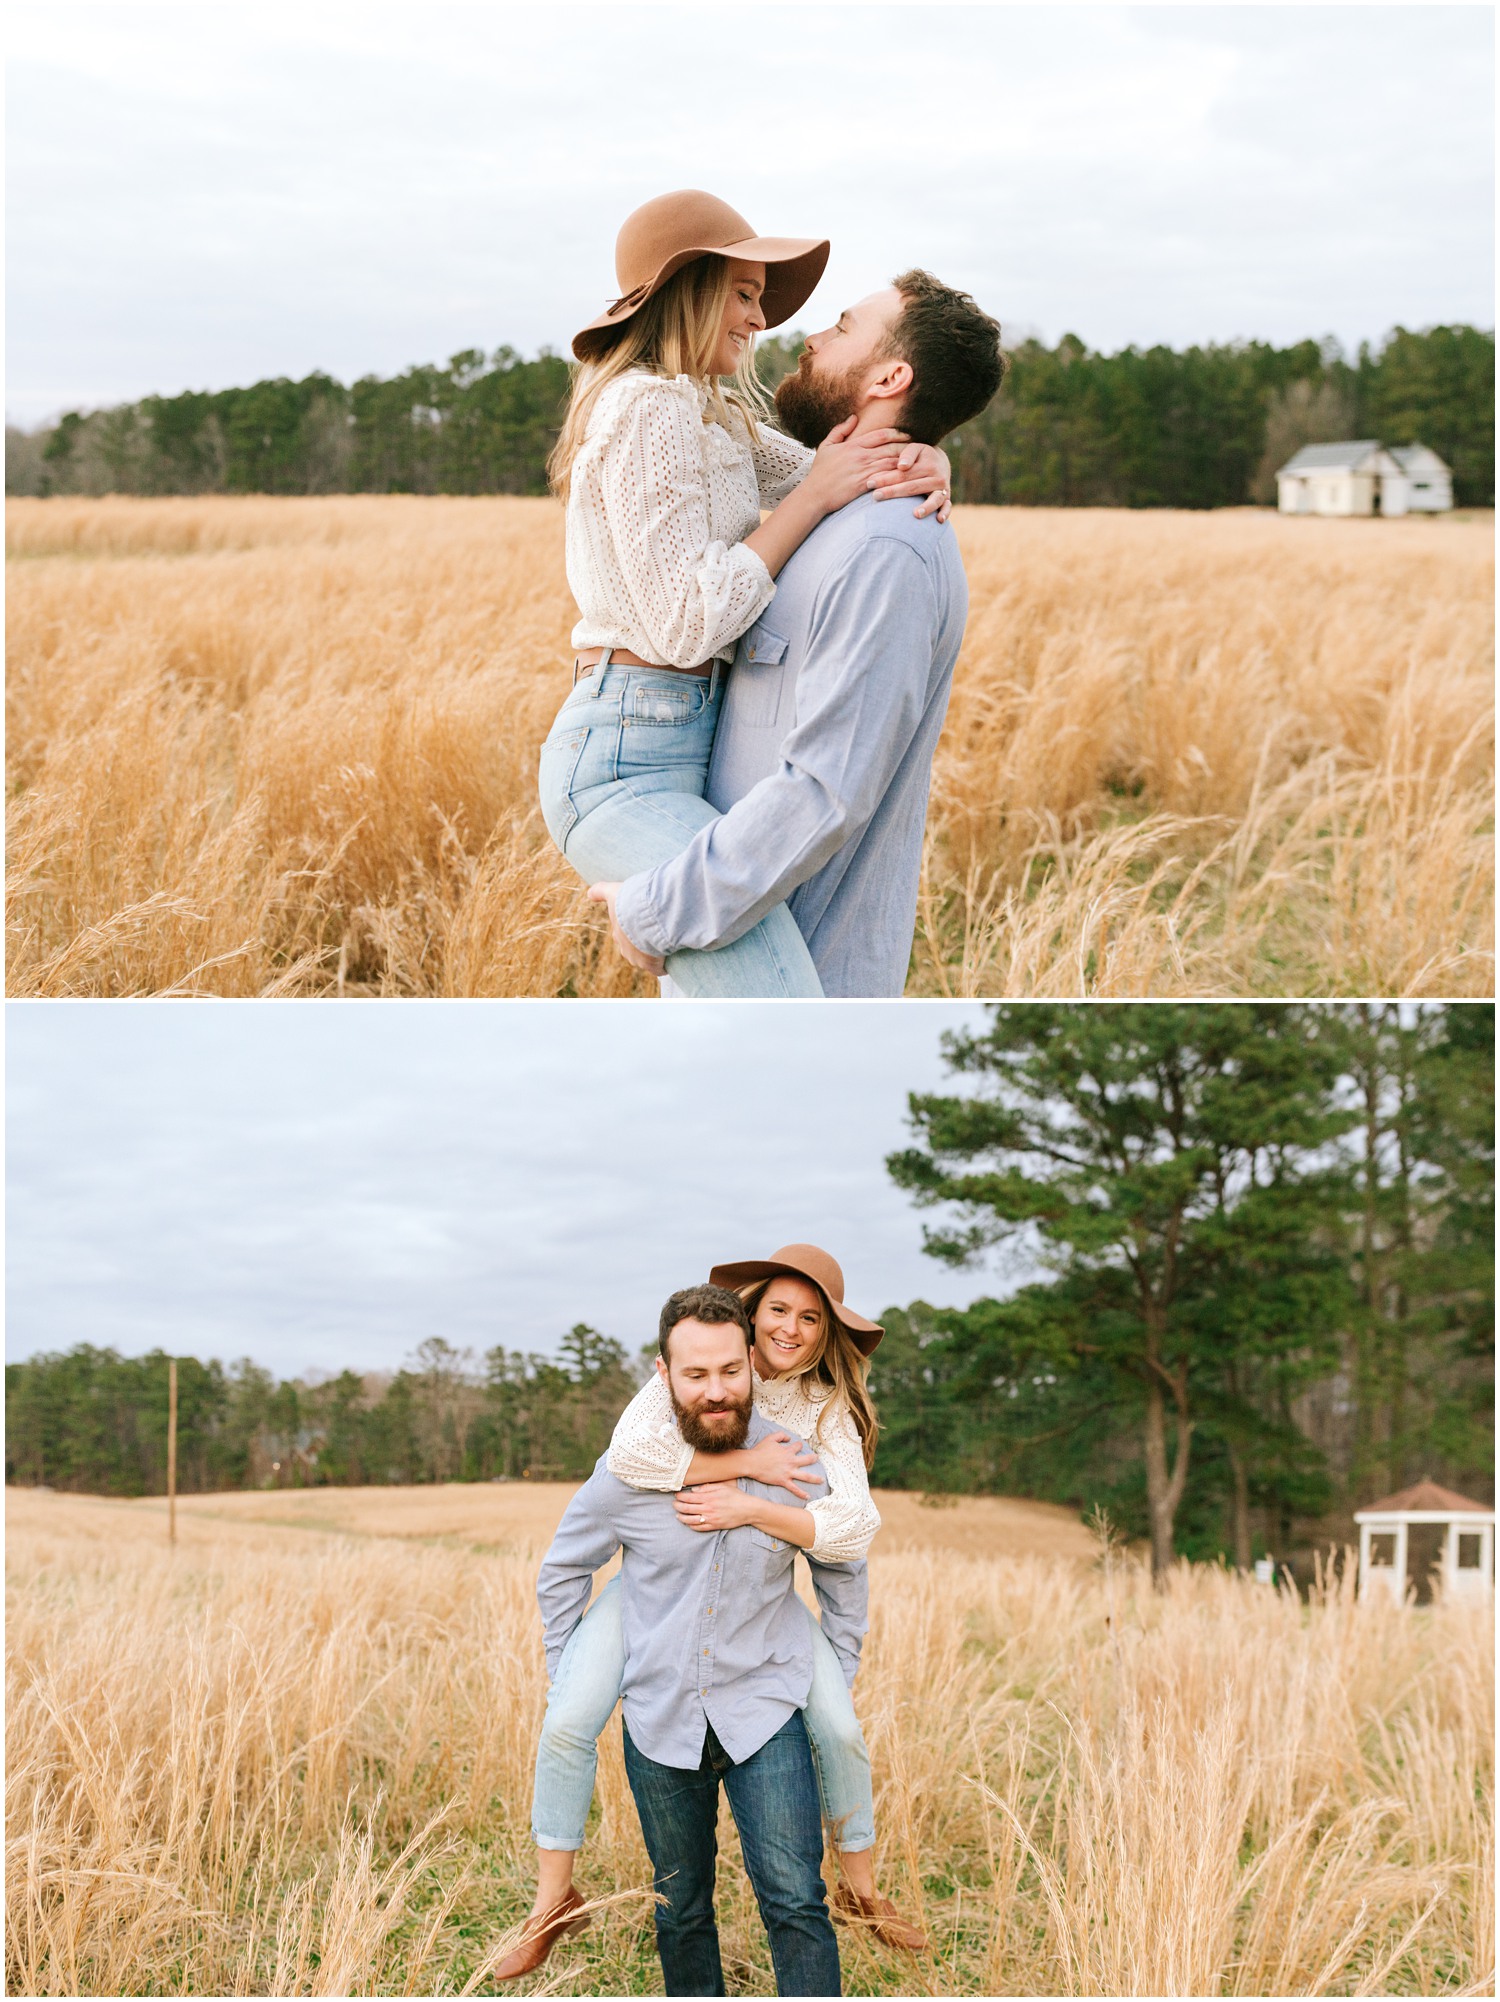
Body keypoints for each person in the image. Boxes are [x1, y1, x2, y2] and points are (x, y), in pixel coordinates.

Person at [537, 188, 954, 998]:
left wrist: (924, 459)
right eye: (744, 293)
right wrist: (805, 505)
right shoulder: (648, 410)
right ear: (686, 293)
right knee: (781, 1000)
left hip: (675, 749)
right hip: (623, 762)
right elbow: (686, 622)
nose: (760, 320)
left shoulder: (712, 415)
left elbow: (843, 473)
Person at [500, 1248, 925, 1985]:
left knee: (832, 1756)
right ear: (749, 1321)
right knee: (569, 1720)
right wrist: (739, 1466)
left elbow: (848, 1554)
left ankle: (862, 1885)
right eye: (779, 1312)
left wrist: (761, 1497)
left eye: (810, 1318)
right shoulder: (652, 1430)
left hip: (763, 1672)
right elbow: (605, 1500)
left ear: (825, 1334)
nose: (789, 1330)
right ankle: (551, 1902)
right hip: (655, 1640)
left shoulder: (816, 1433)